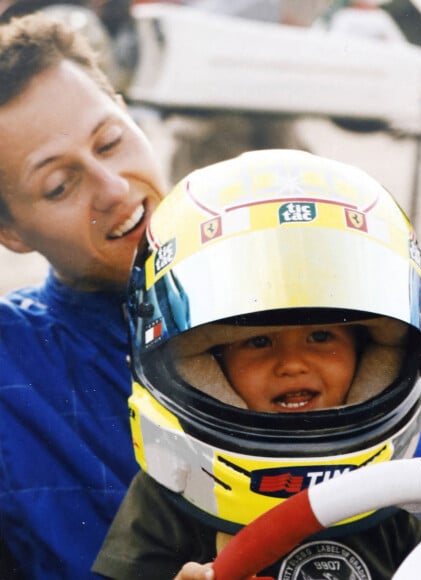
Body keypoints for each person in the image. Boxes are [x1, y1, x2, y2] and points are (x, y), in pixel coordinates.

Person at [92, 148, 421, 579]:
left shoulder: (397, 496)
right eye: (258, 341)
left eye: (321, 337)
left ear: (376, 356)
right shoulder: (168, 498)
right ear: (208, 368)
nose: (293, 364)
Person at [0, 12, 166, 578]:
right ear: (11, 232)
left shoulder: (286, 262)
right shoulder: (11, 373)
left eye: (111, 140)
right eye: (59, 185)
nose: (115, 189)